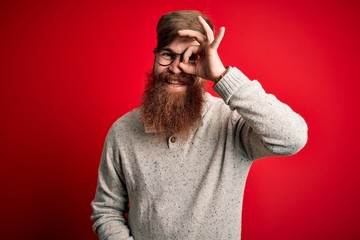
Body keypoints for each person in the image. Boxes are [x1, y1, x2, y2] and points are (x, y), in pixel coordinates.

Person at [91, 10, 308, 240]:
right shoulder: (122, 131)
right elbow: (106, 212)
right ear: (155, 56)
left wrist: (222, 76)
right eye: (167, 55)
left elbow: (292, 138)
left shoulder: (231, 123)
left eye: (191, 57)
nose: (175, 68)